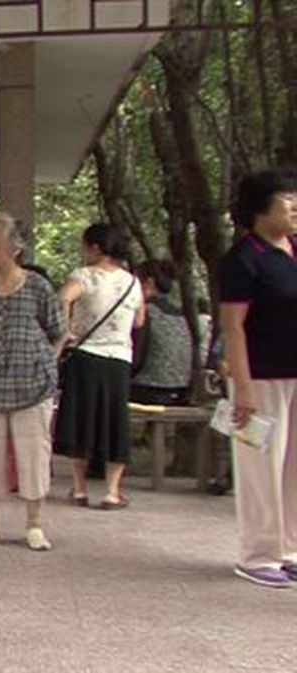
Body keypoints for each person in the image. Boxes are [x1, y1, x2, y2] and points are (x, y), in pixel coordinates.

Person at [0, 217, 66, 551]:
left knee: (34, 451)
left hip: (31, 385)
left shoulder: (37, 286)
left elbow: (57, 330)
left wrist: (46, 363)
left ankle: (34, 523)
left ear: (14, 249)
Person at [218, 169, 297, 588]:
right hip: (260, 379)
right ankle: (257, 553)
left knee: (292, 467)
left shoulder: (294, 249)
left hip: (295, 376)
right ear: (261, 208)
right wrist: (243, 387)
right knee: (261, 466)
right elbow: (233, 326)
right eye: (286, 198)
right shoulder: (244, 258)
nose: (294, 205)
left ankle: (289, 549)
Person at [54, 223, 145, 510]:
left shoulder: (85, 276)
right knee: (114, 423)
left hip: (86, 357)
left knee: (82, 421)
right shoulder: (132, 282)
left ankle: (79, 489)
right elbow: (140, 321)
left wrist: (69, 329)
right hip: (118, 360)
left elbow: (62, 298)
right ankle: (112, 491)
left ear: (95, 247)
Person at [130, 260, 193, 406]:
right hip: (181, 390)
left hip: (150, 389)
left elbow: (136, 359)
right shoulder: (180, 314)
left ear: (149, 282)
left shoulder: (145, 312)